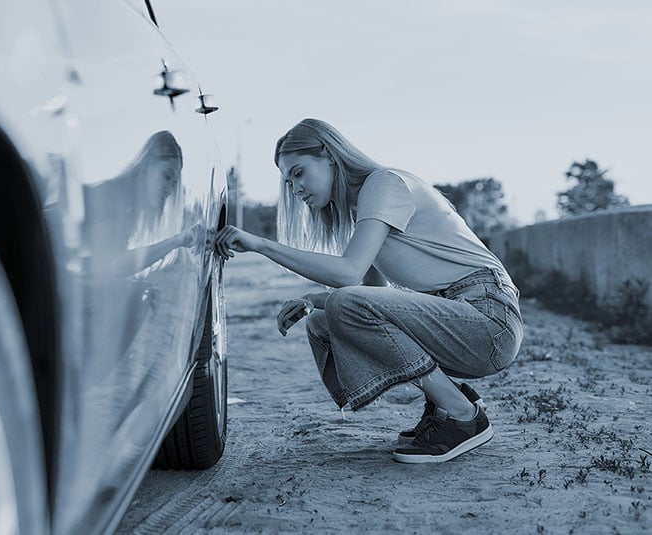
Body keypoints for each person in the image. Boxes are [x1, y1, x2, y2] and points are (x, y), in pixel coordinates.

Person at [214, 118, 523, 463]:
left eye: (299, 173)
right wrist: (313, 301)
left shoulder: (383, 185)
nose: (295, 188)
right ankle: (447, 401)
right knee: (324, 319)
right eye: (288, 182)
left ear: (329, 155)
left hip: (489, 319)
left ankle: (464, 416)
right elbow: (373, 293)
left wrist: (260, 245)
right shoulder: (363, 209)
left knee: (343, 302)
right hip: (460, 319)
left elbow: (349, 276)